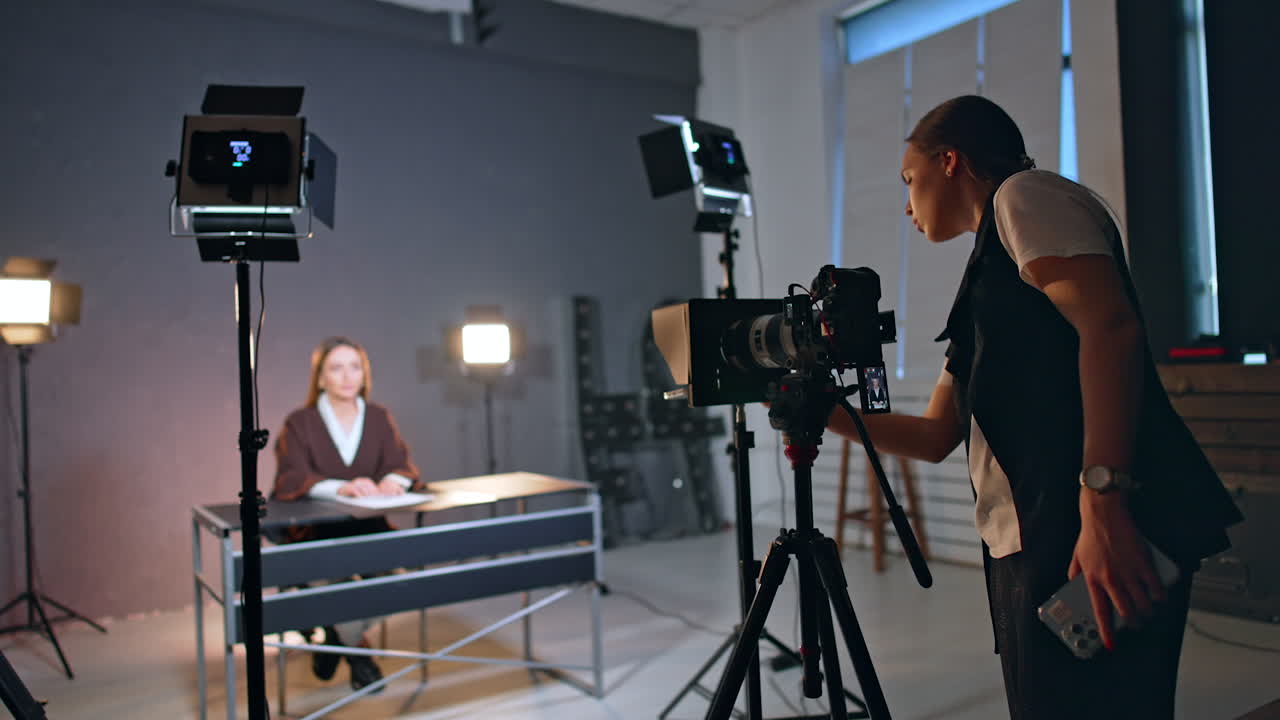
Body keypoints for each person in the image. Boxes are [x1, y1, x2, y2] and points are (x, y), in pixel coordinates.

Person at [827, 95, 1241, 719]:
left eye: (909, 181)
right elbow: (938, 433)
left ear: (949, 161)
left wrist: (1103, 503)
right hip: (1033, 541)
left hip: (1092, 527)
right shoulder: (985, 284)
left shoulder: (1022, 197)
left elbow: (1110, 327)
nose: (907, 205)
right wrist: (823, 413)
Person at [272, 336, 423, 692]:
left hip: (369, 528)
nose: (346, 376)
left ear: (364, 374)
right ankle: (359, 654)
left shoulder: (378, 417)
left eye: (354, 367)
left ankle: (333, 641)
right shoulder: (300, 422)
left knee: (401, 584)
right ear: (320, 378)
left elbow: (400, 464)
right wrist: (341, 486)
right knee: (332, 585)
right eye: (336, 368)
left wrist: (390, 482)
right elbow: (290, 476)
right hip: (316, 533)